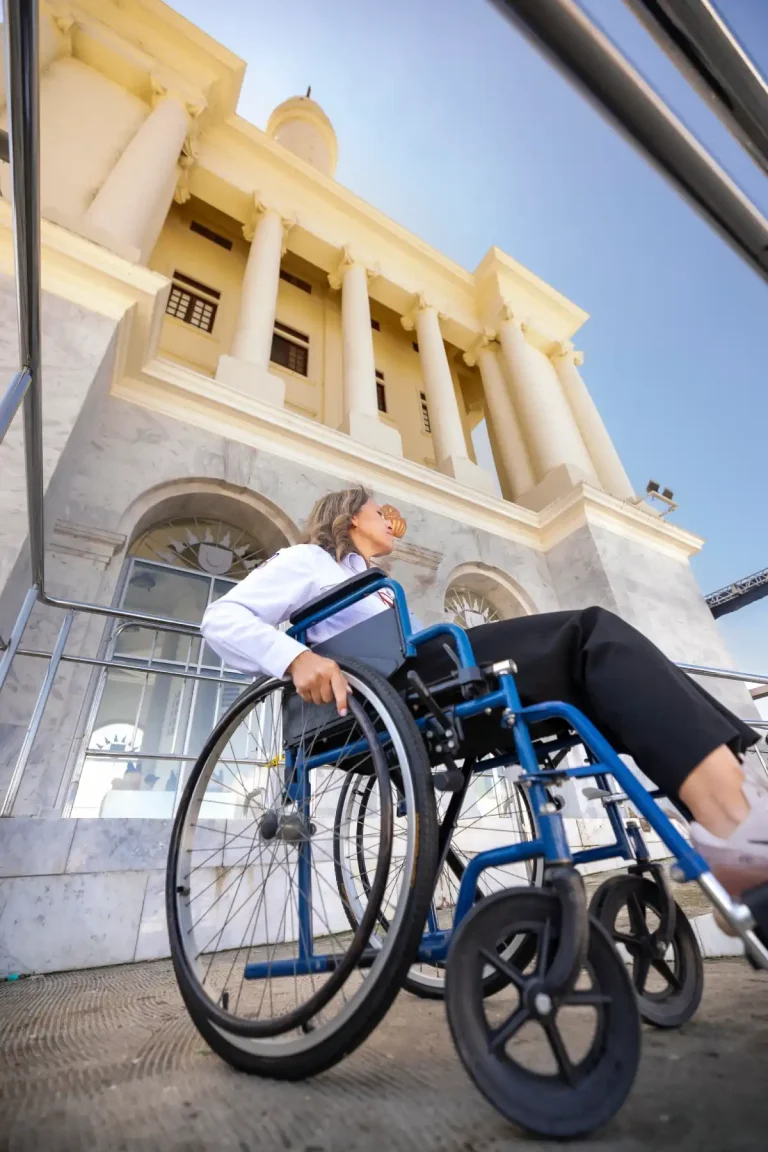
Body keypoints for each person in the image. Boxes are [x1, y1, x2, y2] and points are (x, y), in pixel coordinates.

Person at [201, 485, 767, 902]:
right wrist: (294, 656)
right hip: (383, 701)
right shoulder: (307, 562)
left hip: (413, 687)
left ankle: (735, 807)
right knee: (590, 635)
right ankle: (735, 830)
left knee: (600, 677)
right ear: (351, 519)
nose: (393, 524)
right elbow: (221, 620)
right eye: (382, 513)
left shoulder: (370, 585)